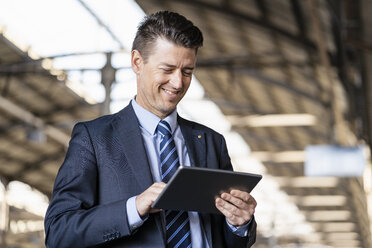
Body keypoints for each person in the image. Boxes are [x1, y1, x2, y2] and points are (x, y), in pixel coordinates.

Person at [44, 11, 257, 248]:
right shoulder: (94, 139)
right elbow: (58, 231)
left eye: (187, 72)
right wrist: (134, 207)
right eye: (167, 69)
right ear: (137, 62)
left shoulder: (210, 142)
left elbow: (226, 239)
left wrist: (239, 224)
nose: (178, 83)